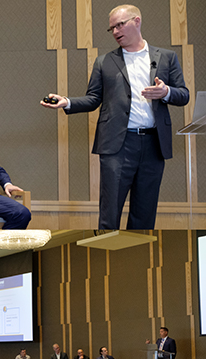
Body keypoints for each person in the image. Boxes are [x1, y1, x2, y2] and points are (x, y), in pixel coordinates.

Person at [41, 4, 189, 231]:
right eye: (112, 29)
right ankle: (106, 261)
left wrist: (166, 92)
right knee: (110, 214)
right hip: (117, 146)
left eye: (120, 25)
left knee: (145, 214)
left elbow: (184, 95)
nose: (116, 32)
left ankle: (137, 261)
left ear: (137, 21)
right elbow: (93, 99)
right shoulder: (104, 62)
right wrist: (67, 102)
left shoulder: (167, 57)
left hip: (153, 145)